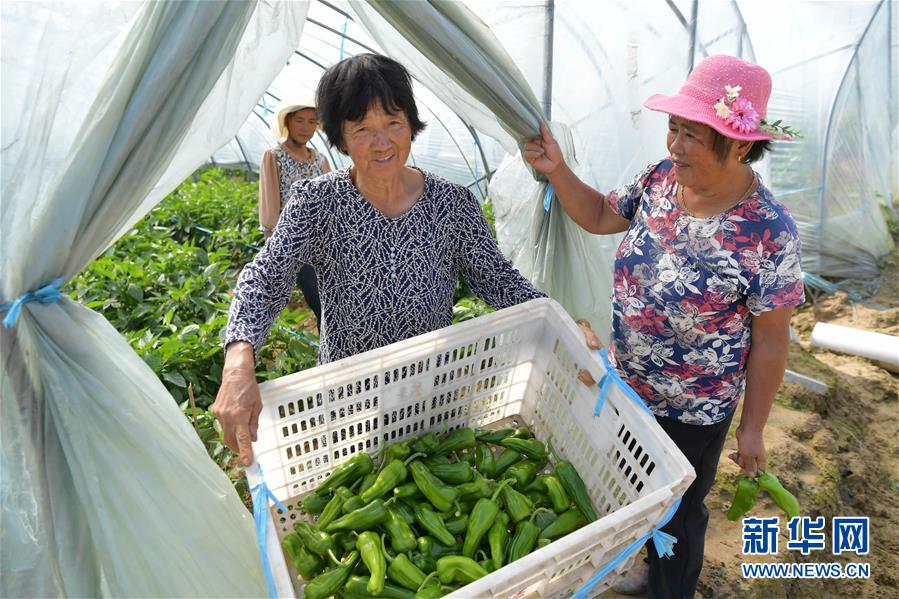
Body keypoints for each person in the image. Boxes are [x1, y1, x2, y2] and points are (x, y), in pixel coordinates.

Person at [525, 55, 805, 598]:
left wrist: (752, 429)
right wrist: (557, 170)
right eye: (673, 128)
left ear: (741, 145)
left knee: (675, 512)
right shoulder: (659, 180)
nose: (675, 144)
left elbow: (772, 340)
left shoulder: (768, 231)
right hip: (625, 384)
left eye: (692, 135)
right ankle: (635, 566)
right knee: (624, 488)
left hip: (693, 411)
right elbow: (603, 215)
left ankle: (671, 589)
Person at [214, 54, 544, 467]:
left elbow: (497, 279)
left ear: (411, 124)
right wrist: (239, 360)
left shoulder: (453, 205)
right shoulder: (316, 203)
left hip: (429, 394)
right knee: (356, 488)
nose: (383, 141)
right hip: (348, 400)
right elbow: (265, 279)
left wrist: (554, 317)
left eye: (393, 122)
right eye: (363, 129)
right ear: (340, 139)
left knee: (430, 484)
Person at [258, 97, 331, 327]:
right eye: (300, 120)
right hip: (295, 246)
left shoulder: (320, 159)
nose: (306, 128)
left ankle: (334, 352)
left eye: (312, 122)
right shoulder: (274, 156)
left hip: (324, 242)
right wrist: (274, 248)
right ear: (287, 121)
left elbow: (331, 201)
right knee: (320, 302)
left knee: (333, 302)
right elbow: (270, 204)